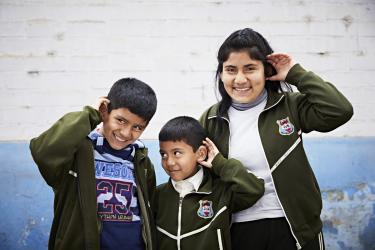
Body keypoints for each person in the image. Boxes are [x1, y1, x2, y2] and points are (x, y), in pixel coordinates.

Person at [199, 28, 353, 250]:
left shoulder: (289, 106)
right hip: (238, 229)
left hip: (295, 228)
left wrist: (295, 73)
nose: (240, 79)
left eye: (250, 69)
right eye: (231, 70)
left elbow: (339, 111)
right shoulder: (211, 120)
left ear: (266, 71)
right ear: (221, 73)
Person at [30, 78, 158, 250]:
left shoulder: (142, 161)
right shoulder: (77, 154)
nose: (126, 133)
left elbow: (147, 210)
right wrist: (90, 115)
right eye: (120, 120)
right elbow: (43, 152)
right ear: (104, 111)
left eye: (137, 127)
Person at [154, 116, 265, 250]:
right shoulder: (157, 195)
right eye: (163, 154)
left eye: (177, 153)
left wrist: (219, 163)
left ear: (200, 153)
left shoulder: (221, 192)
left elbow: (254, 189)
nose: (169, 162)